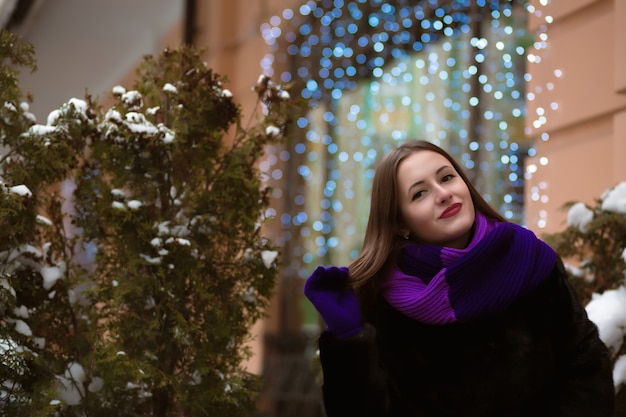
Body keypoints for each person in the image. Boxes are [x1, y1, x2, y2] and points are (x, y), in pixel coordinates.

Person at [304, 140, 614, 417]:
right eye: (420, 193)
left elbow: (586, 368)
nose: (443, 194)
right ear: (400, 222)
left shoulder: (530, 260)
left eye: (447, 177)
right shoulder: (385, 299)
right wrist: (348, 341)